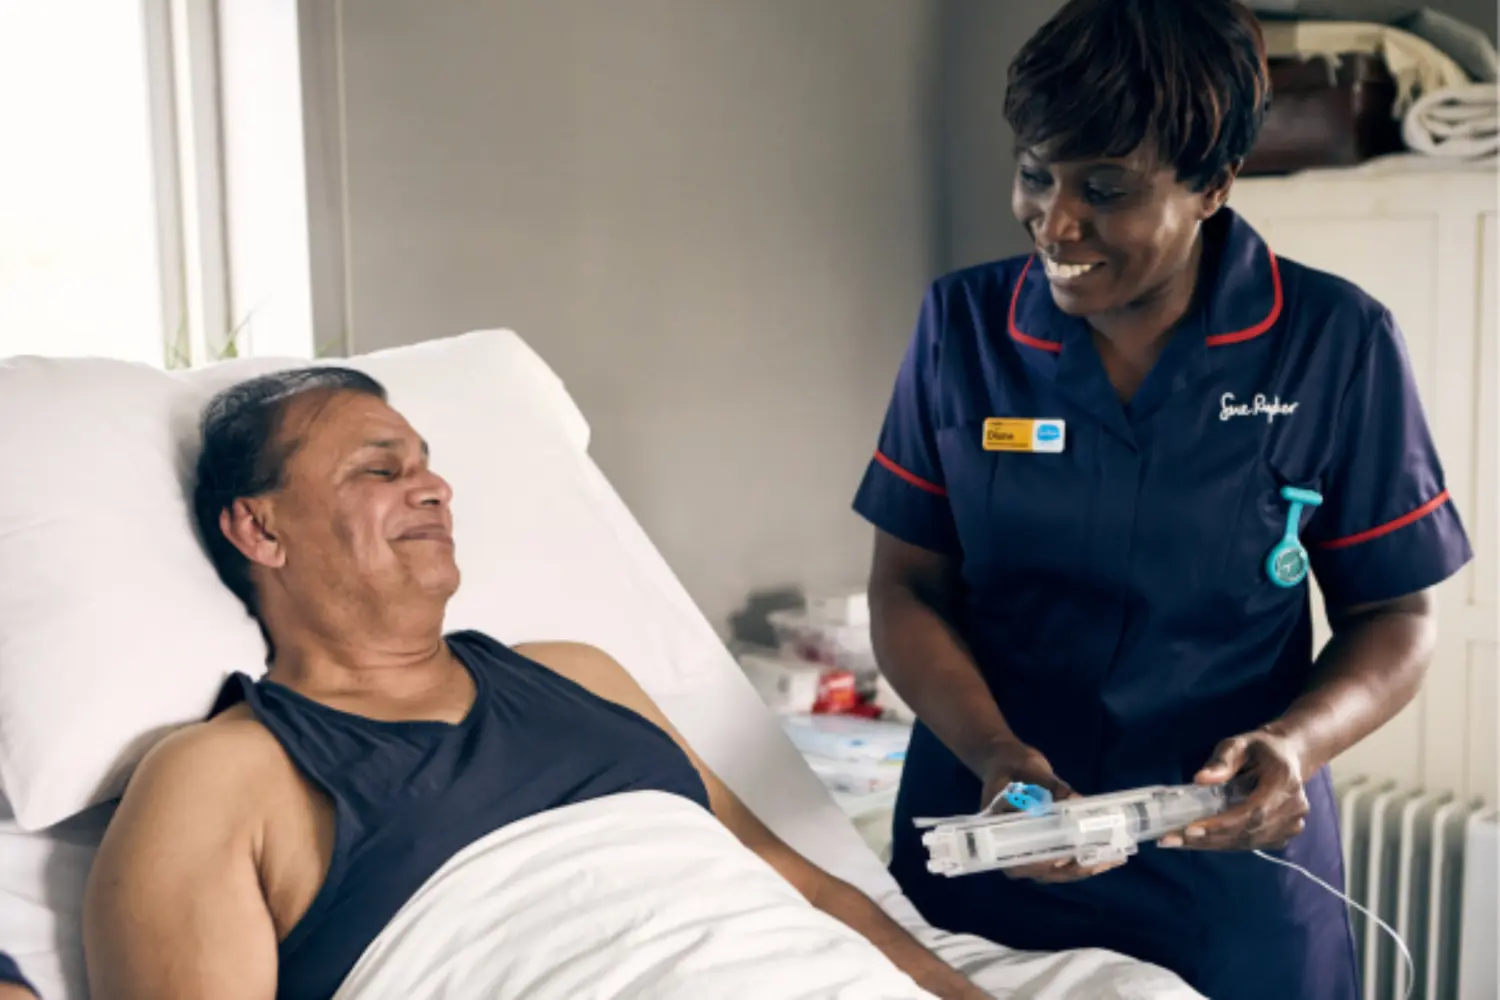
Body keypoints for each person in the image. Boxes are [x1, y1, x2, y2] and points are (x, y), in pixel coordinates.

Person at [852, 1, 1472, 998]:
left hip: (1226, 864)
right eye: (1035, 173)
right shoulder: (961, 327)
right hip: (1000, 840)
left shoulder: (1334, 342)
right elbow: (906, 588)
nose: (1055, 221)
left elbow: (1397, 613)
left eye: (1105, 189)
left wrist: (1298, 744)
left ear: (1214, 184)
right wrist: (997, 754)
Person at [78, 368, 1002, 1000]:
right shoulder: (219, 777)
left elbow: (798, 882)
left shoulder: (578, 673)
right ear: (259, 530)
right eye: (381, 470)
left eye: (428, 464)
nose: (434, 488)